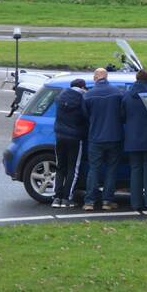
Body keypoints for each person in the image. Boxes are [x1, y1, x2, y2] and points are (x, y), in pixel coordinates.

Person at [82, 67, 124, 210]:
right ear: (107, 77)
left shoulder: (88, 95)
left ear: (95, 78)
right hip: (114, 136)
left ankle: (89, 201)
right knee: (112, 169)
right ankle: (107, 201)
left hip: (95, 137)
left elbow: (85, 116)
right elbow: (123, 114)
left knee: (94, 169)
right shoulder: (117, 93)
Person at [121, 69, 147, 211]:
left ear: (136, 79)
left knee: (135, 170)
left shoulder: (126, 95)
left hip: (132, 138)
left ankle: (136, 203)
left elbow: (122, 116)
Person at [52, 78, 87, 208]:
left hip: (60, 136)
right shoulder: (82, 99)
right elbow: (86, 117)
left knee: (60, 166)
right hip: (75, 137)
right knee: (73, 168)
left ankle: (57, 198)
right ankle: (67, 198)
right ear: (82, 87)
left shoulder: (60, 96)